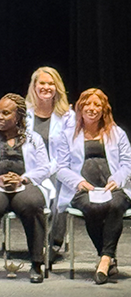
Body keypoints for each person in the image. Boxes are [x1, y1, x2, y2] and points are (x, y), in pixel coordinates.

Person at [0, 93, 49, 284]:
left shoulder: (33, 138)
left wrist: (23, 179)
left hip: (24, 184)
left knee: (33, 204)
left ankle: (36, 263)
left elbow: (44, 166)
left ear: (18, 116)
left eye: (5, 113)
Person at [56, 88, 131, 285]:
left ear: (104, 109)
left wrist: (118, 179)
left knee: (116, 205)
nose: (92, 108)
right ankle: (108, 258)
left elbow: (127, 163)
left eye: (97, 104)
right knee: (93, 208)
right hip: (82, 189)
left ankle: (104, 260)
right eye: (87, 104)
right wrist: (79, 182)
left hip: (112, 187)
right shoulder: (67, 135)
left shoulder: (117, 133)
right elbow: (61, 167)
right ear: (80, 107)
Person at [24, 66, 75, 261]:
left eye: (51, 83)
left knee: (61, 184)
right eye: (42, 83)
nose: (46, 87)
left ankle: (53, 242)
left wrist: (49, 170)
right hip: (29, 169)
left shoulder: (67, 116)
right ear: (34, 86)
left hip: (57, 167)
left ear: (57, 87)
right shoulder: (24, 113)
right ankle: (37, 242)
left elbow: (67, 152)